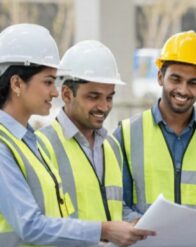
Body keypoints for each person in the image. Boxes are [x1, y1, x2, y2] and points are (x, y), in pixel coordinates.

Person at [0, 24, 154, 247]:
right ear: (16, 83)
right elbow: (31, 226)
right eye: (47, 82)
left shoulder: (31, 145)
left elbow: (58, 214)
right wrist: (104, 230)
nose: (54, 92)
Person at [113, 31, 196, 220]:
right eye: (176, 79)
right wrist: (140, 224)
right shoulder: (126, 134)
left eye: (193, 83)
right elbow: (116, 204)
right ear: (160, 77)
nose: (183, 90)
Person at [36, 40, 128, 223]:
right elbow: (42, 224)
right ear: (67, 94)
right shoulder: (42, 147)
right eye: (93, 97)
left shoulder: (112, 147)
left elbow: (115, 207)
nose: (104, 106)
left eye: (109, 97)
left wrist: (133, 222)